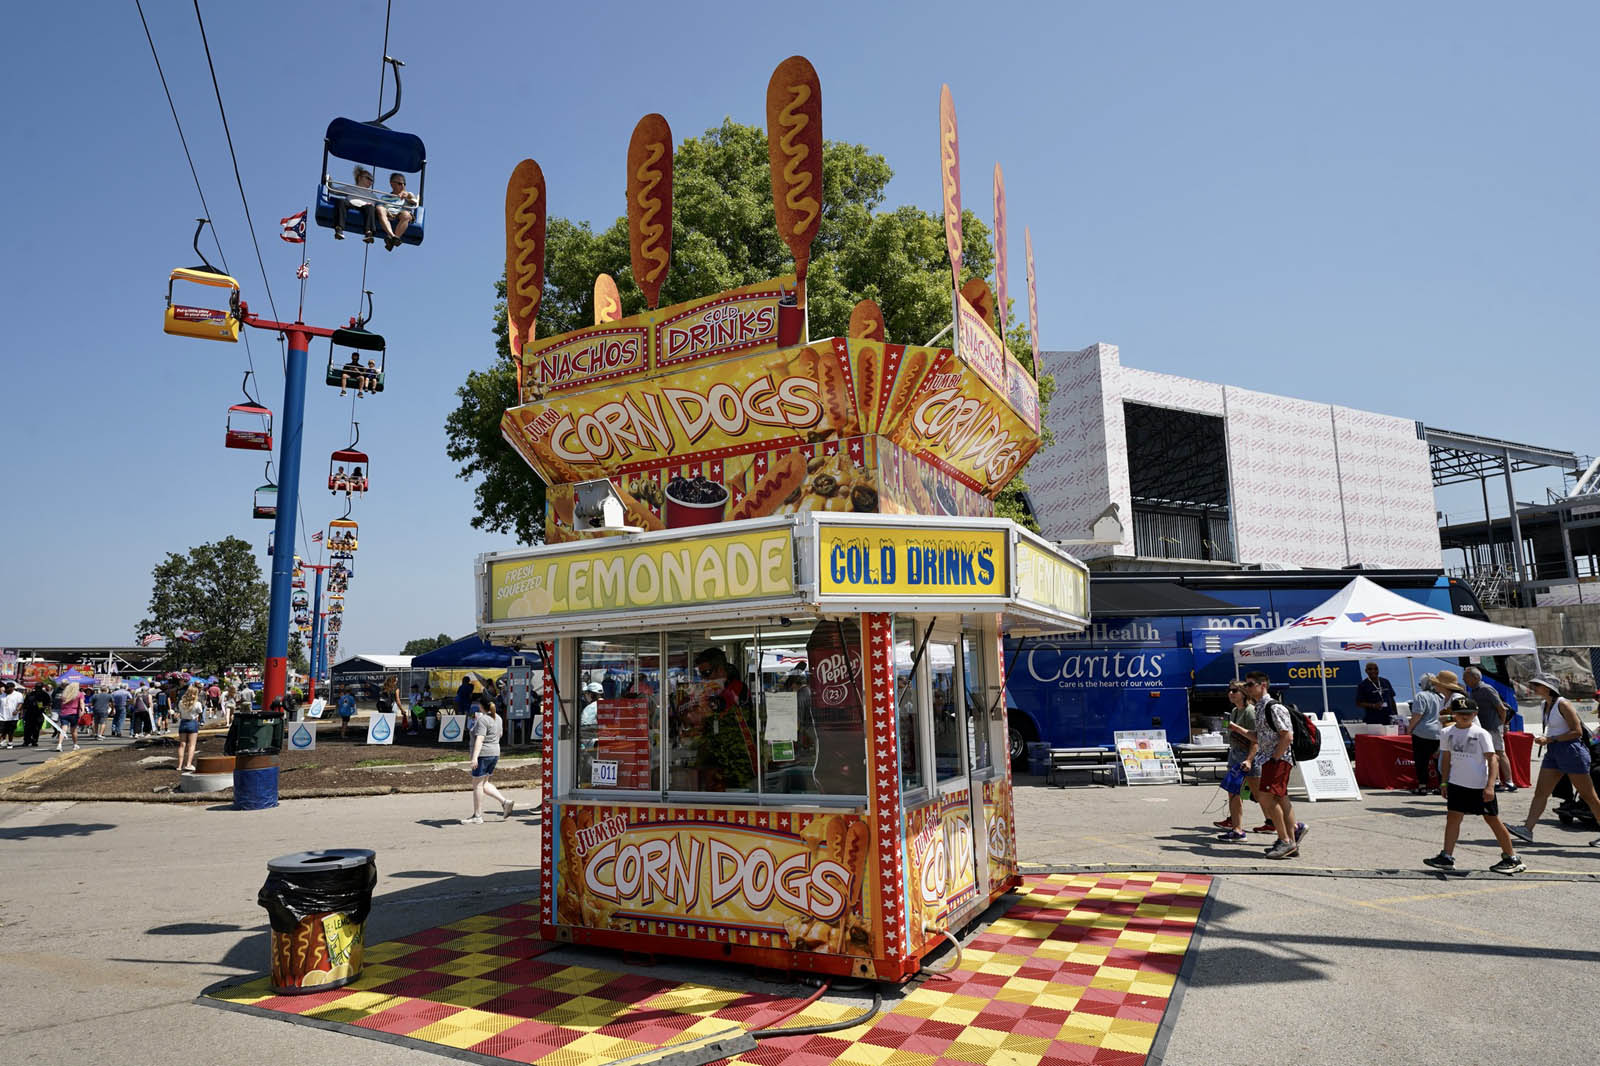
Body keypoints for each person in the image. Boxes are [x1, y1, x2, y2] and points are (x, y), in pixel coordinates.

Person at [1423, 695, 1525, 874]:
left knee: (1492, 819)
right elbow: (1446, 758)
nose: (1465, 716)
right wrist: (1444, 782)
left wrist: (1490, 785)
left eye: (1469, 713)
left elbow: (1492, 759)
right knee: (1453, 817)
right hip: (1456, 783)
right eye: (1461, 713)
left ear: (1475, 713)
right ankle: (1447, 856)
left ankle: (1512, 857)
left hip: (1479, 786)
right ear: (1454, 714)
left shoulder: (1480, 733)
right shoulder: (1447, 733)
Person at [1509, 676, 1600, 847]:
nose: (1534, 687)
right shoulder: (1545, 705)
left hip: (1571, 751)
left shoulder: (1563, 704)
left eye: (1537, 685)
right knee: (1541, 792)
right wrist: (1548, 740)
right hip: (1554, 751)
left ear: (1548, 687)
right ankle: (1527, 829)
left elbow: (1577, 731)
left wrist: (1550, 739)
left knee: (1589, 796)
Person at [1243, 671, 1307, 858]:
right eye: (1246, 685)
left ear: (1263, 685)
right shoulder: (1259, 707)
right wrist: (1237, 729)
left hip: (1276, 760)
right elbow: (1261, 737)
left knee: (1266, 798)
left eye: (1250, 684)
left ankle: (1285, 840)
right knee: (1280, 798)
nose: (1247, 688)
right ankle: (1291, 838)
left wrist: (1275, 758)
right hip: (1269, 759)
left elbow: (1287, 735)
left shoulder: (1273, 707)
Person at [1215, 681, 1258, 840]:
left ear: (1244, 693)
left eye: (1235, 691)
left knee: (1261, 796)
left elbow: (1256, 739)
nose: (1231, 693)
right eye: (1229, 691)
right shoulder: (1234, 711)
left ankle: (1291, 826)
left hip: (1248, 756)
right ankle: (1237, 830)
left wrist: (1249, 760)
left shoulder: (1250, 712)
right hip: (1235, 755)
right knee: (1233, 792)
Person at [462, 691, 513, 824]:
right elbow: (500, 734)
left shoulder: (483, 720)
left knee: (477, 785)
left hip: (483, 754)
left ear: (481, 705)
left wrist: (474, 758)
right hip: (495, 752)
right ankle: (505, 802)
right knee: (484, 783)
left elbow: (480, 739)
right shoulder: (498, 718)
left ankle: (477, 816)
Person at [1464, 667, 1515, 792]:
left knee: (1499, 753)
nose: (1464, 679)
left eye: (1466, 677)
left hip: (1493, 727)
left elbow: (1501, 709)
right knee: (1489, 754)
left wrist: (1501, 725)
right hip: (1482, 728)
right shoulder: (1474, 691)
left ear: (1475, 677)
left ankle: (1509, 782)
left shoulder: (1486, 689)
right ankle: (1496, 781)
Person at [1408, 674, 1445, 795]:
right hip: (1439, 733)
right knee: (1439, 761)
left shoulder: (1420, 696)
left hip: (1422, 733)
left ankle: (1422, 786)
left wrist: (1410, 729)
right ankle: (1441, 786)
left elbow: (1417, 715)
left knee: (1421, 761)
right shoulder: (1442, 696)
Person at [331, 165, 378, 242]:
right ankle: (339, 228)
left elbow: (380, 205)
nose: (371, 182)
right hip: (351, 203)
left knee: (370, 208)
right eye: (368, 178)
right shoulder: (350, 188)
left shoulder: (372, 195)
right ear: (360, 178)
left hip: (365, 207)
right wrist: (327, 181)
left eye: (372, 180)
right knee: (341, 201)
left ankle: (368, 232)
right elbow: (333, 190)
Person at [378, 171, 418, 250]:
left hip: (402, 214)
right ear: (392, 184)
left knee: (406, 215)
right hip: (389, 214)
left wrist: (407, 197)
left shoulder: (408, 194)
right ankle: (392, 236)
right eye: (400, 183)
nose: (403, 186)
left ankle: (392, 239)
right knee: (380, 208)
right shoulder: (385, 197)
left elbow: (415, 202)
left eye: (404, 184)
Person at [175, 683, 203, 772]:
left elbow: (179, 712)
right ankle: (188, 764)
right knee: (191, 745)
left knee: (182, 745)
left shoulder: (181, 702)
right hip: (192, 722)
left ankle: (179, 765)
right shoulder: (197, 703)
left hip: (183, 723)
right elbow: (200, 712)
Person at [56, 681, 83, 752]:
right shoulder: (79, 694)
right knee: (73, 730)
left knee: (63, 729)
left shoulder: (64, 694)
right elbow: (81, 703)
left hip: (64, 713)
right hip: (74, 713)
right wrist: (82, 710)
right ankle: (75, 744)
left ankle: (59, 744)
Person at [21, 681, 50, 747]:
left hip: (39, 714)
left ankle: (34, 741)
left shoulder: (45, 695)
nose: (37, 689)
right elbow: (25, 704)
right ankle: (26, 741)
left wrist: (43, 707)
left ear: (42, 687)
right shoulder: (30, 694)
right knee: (27, 728)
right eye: (37, 687)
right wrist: (23, 713)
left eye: (39, 687)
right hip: (29, 714)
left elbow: (48, 704)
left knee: (36, 729)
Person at [0, 680, 20, 748]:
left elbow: (20, 703)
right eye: (6, 687)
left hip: (12, 717)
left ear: (12, 688)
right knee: (1, 730)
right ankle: (3, 740)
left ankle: (10, 742)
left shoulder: (18, 694)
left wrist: (17, 710)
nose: (6, 689)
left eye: (8, 687)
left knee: (10, 731)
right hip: (2, 716)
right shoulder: (2, 695)